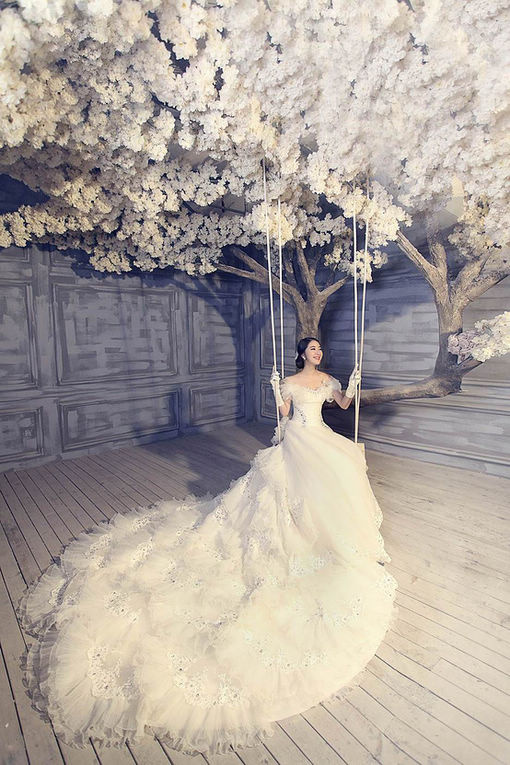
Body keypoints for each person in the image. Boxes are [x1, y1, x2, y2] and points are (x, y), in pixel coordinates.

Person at [17, 336, 398, 757]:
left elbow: (343, 405)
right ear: (300, 354)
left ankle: (330, 536)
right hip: (297, 442)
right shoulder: (290, 382)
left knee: (338, 476)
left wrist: (353, 385)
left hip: (320, 438)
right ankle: (299, 533)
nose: (318, 354)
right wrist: (275, 391)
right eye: (312, 350)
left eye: (320, 350)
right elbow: (285, 416)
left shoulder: (327, 380)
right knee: (289, 492)